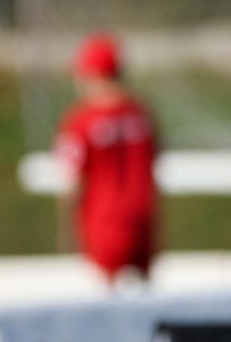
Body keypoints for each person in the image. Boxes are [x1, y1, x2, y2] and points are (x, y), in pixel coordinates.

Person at [54, 33, 160, 286]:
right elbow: (155, 160)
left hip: (103, 220)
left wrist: (66, 230)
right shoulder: (141, 113)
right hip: (142, 217)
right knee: (146, 296)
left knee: (105, 296)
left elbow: (73, 180)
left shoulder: (80, 120)